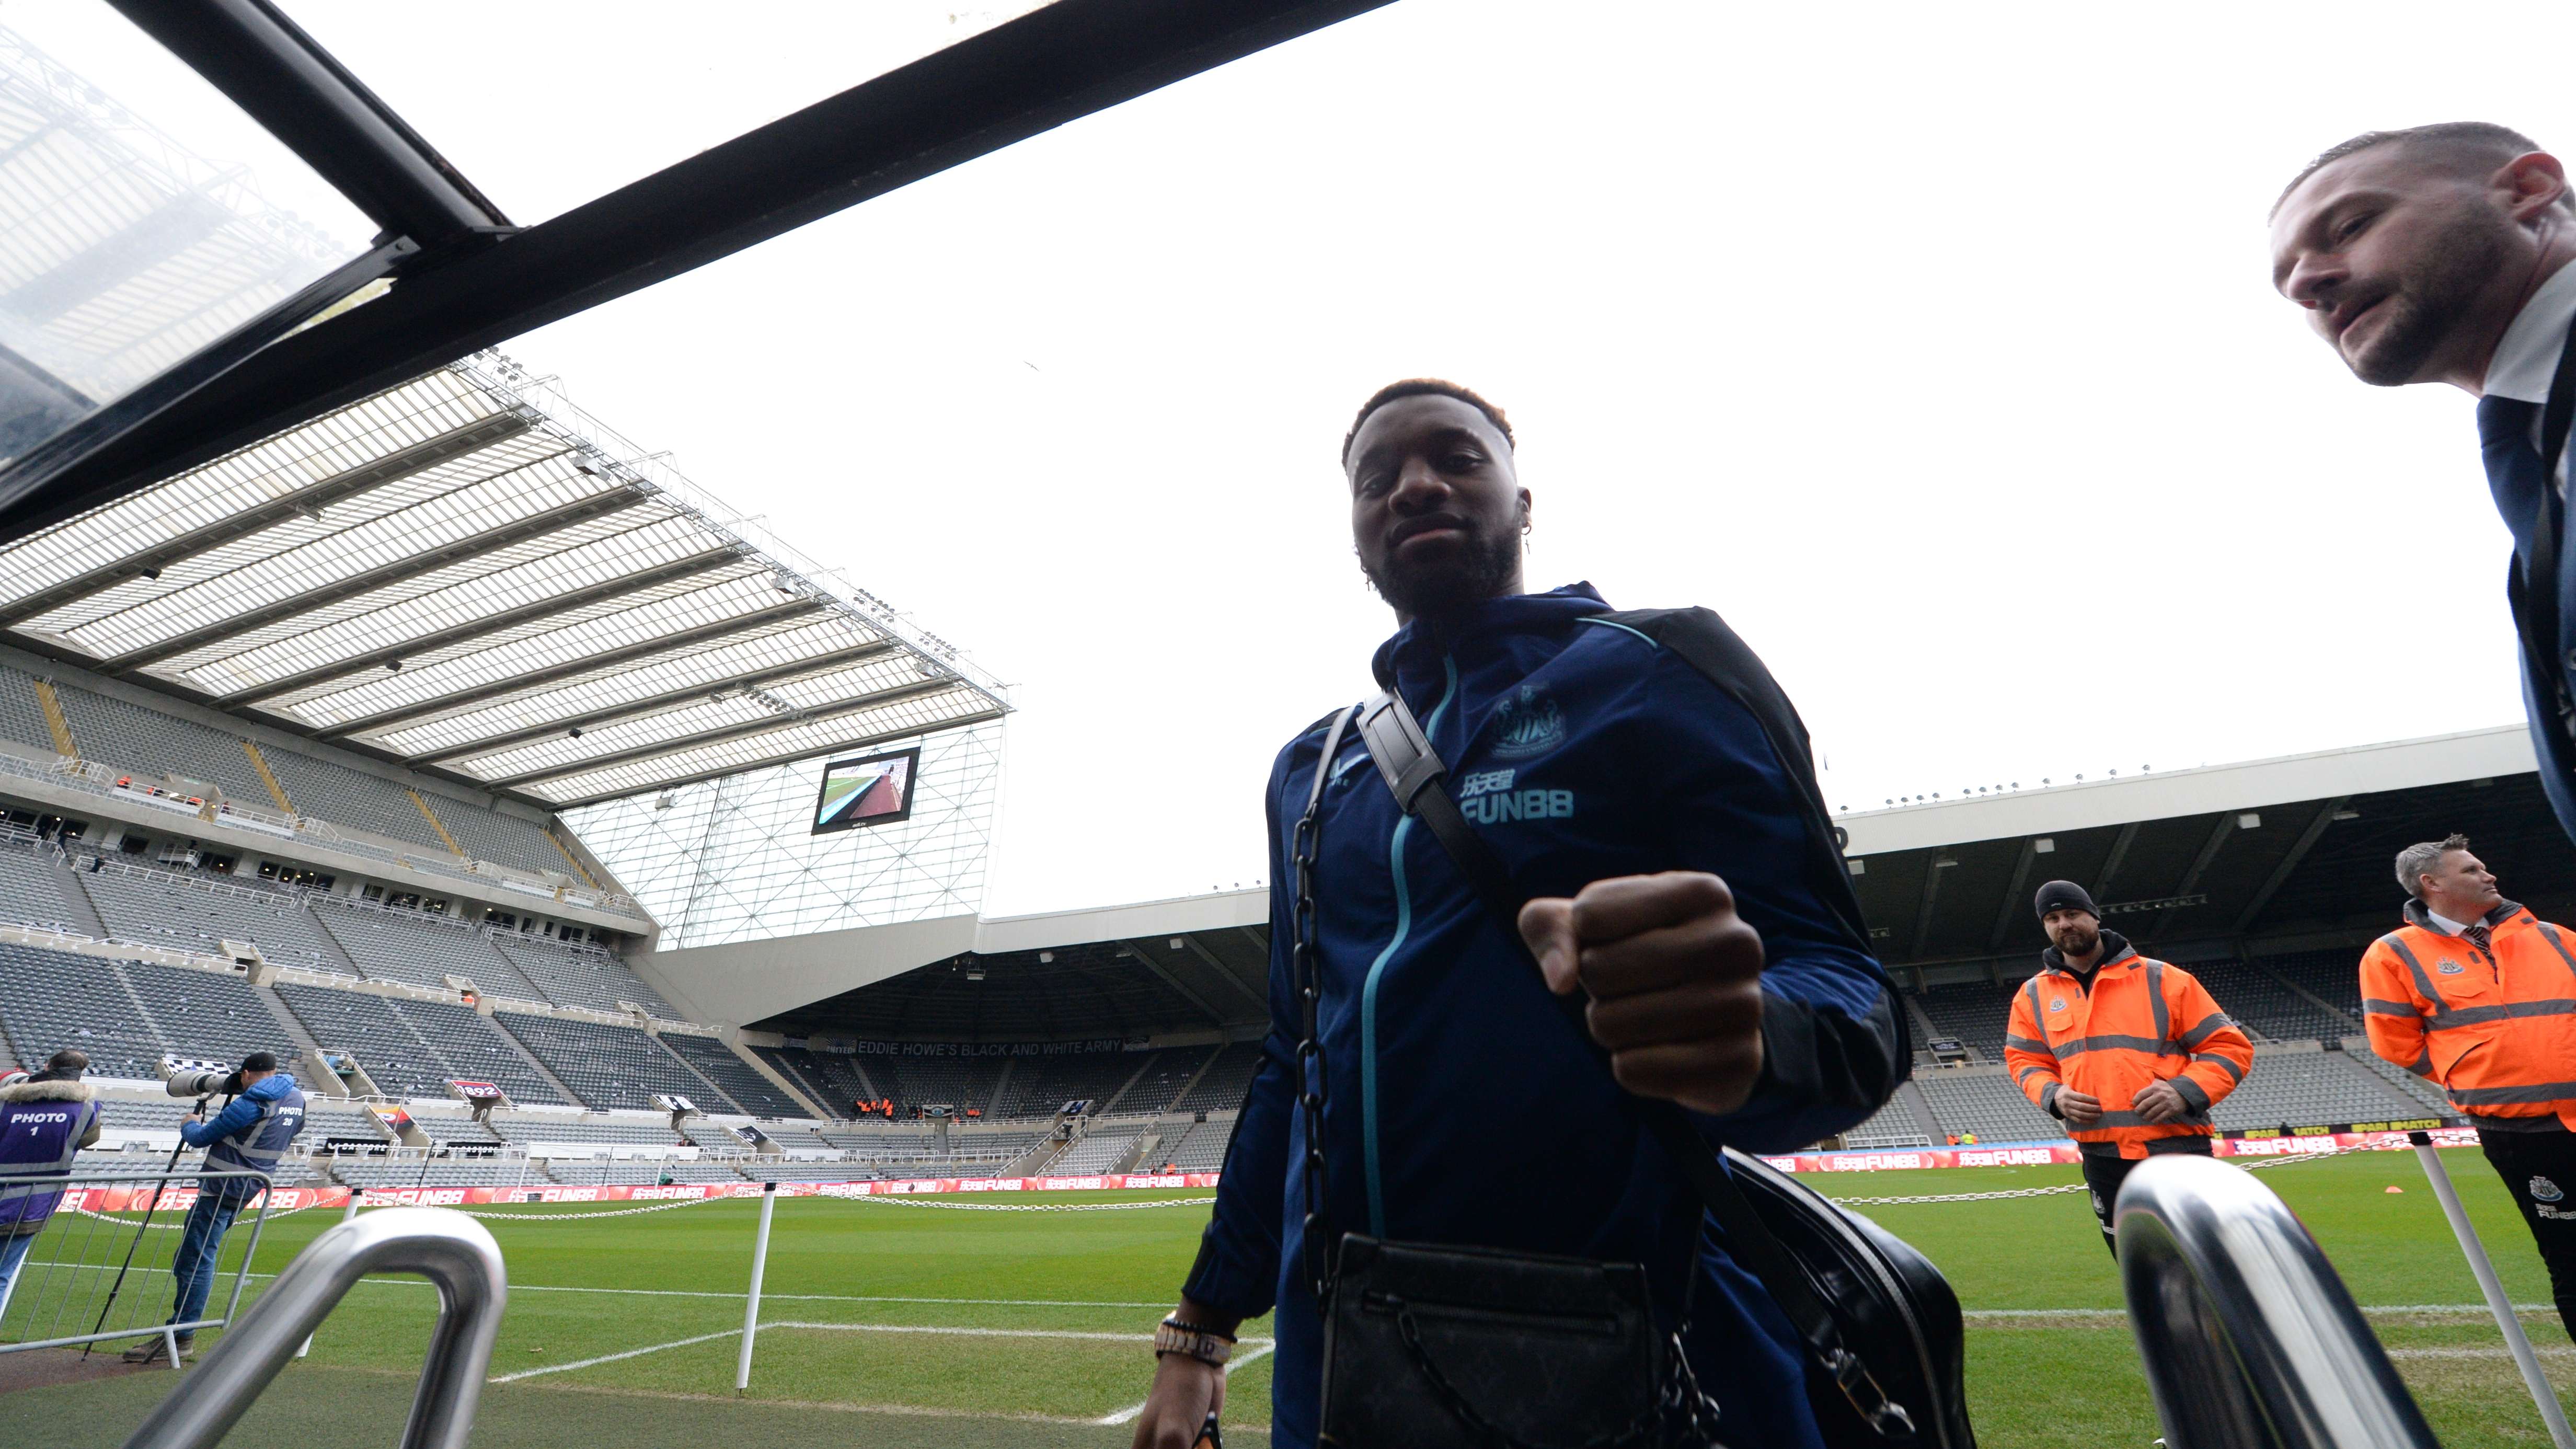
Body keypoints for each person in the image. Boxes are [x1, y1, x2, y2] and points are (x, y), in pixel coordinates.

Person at [1130, 380, 1907, 1449]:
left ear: (1522, 499)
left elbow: (1850, 992)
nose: (1413, 486)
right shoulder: (1312, 772)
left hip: (1645, 1362)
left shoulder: (1665, 667)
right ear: (1356, 522)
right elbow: (1290, 1061)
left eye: (1455, 457)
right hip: (1340, 1378)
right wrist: (1200, 1328)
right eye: (1376, 478)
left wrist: (1756, 1036)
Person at [2269, 122, 2576, 841]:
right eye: (2289, 284)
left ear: (2529, 190)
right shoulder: (2537, 485)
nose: (2307, 285)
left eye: (2348, 226)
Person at [2360, 834, 2576, 1338]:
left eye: (2485, 867)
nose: (2489, 876)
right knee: (2570, 1256)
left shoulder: (2553, 937)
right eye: (2472, 870)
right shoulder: (2392, 954)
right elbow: (2394, 1043)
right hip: (2523, 1136)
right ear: (2430, 884)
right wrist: (2475, 1075)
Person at [2004, 882, 2253, 1258]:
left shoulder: (2164, 979)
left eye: (2072, 914)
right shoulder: (2032, 995)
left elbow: (2230, 1048)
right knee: (2137, 1265)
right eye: (2052, 918)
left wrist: (2183, 1090)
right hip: (2101, 1155)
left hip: (2176, 1147)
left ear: (2094, 916)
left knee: (2207, 1261)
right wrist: (2053, 1094)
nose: (2064, 925)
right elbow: (2025, 1061)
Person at [123, 1051, 304, 1364]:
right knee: (192, 1255)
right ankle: (181, 1332)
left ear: (247, 1074)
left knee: (196, 1259)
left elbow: (201, 1138)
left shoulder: (252, 1102)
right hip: (251, 1184)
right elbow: (295, 1130)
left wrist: (189, 1124)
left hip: (222, 1186)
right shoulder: (296, 1096)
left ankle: (182, 1336)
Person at [0, 1049, 102, 1318]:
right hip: (31, 1206)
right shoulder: (87, 1109)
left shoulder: (7, 1104)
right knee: (1, 1275)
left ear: (47, 1066)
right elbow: (88, 1140)